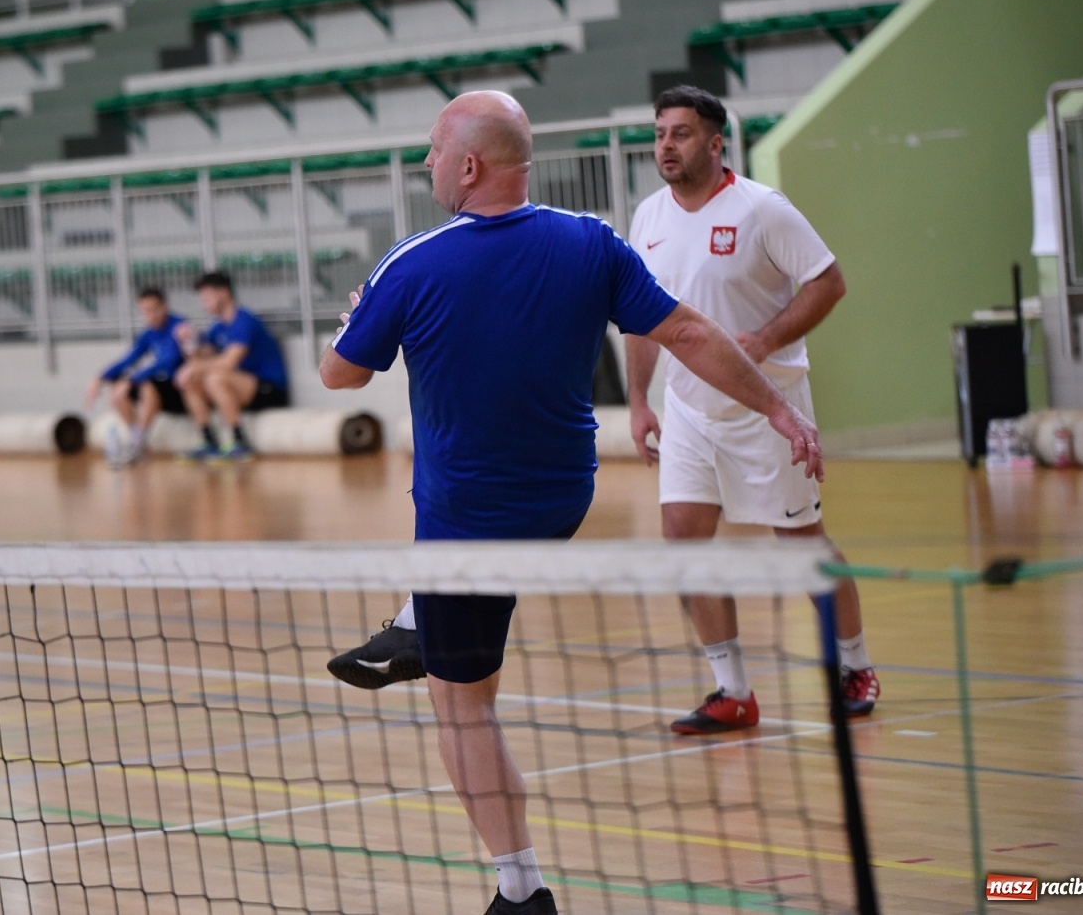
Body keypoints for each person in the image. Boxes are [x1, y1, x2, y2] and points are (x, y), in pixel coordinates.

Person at [320, 90, 824, 915]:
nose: (426, 164)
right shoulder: (593, 241)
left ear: (470, 165)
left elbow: (340, 374)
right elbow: (690, 334)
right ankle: (420, 612)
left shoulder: (412, 262)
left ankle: (521, 893)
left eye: (435, 152)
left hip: (465, 518)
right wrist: (778, 407)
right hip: (562, 494)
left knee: (462, 706)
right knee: (465, 610)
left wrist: (356, 320)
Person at [626, 84, 879, 734]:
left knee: (801, 545)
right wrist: (638, 401)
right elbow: (641, 320)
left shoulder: (762, 209)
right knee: (683, 540)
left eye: (680, 134)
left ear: (715, 142)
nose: (666, 146)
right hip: (687, 410)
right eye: (659, 134)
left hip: (771, 408)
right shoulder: (648, 217)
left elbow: (830, 280)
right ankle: (731, 691)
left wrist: (764, 341)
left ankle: (855, 665)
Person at [174, 271, 290, 461]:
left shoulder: (243, 320)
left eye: (207, 297)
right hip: (241, 385)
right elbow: (202, 355)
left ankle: (240, 442)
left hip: (269, 388)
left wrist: (195, 367)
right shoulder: (218, 326)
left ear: (224, 293)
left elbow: (229, 362)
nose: (204, 303)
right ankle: (208, 441)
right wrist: (189, 341)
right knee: (191, 381)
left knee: (215, 378)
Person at [85, 287, 186, 467]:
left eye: (154, 309)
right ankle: (135, 439)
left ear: (165, 307)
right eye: (145, 311)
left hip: (182, 390)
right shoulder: (149, 334)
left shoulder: (180, 327)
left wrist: (132, 380)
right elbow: (128, 359)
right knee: (116, 387)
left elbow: (169, 361)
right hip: (162, 387)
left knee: (146, 384)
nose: (150, 315)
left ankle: (137, 442)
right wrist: (100, 377)